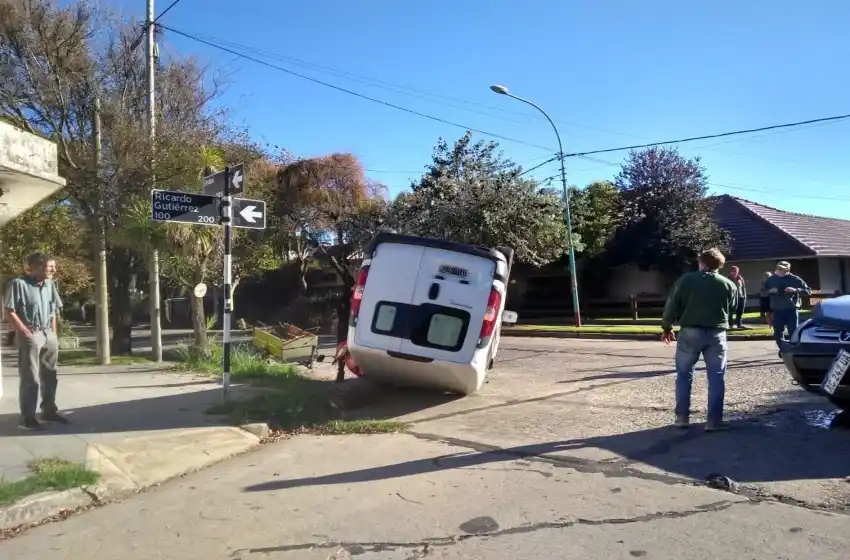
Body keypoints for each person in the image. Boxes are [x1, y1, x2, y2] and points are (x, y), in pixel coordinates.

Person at [661, 248, 738, 432]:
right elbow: (733, 308)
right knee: (717, 376)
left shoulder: (686, 280)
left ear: (701, 263)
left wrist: (667, 327)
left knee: (684, 374)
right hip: (717, 333)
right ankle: (713, 420)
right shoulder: (728, 284)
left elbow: (672, 305)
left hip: (690, 331)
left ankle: (682, 417)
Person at [4, 253, 67, 430]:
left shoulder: (49, 284)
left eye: (54, 266)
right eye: (50, 266)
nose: (54, 270)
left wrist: (53, 333)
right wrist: (24, 331)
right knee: (30, 377)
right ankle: (27, 419)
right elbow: (9, 310)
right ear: (36, 267)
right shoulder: (19, 284)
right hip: (31, 334)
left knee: (50, 374)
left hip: (48, 333)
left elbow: (53, 309)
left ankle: (49, 411)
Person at [763, 260, 812, 355]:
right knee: (777, 333)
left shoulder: (795, 279)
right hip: (777, 310)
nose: (779, 270)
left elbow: (808, 291)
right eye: (778, 268)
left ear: (787, 270)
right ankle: (784, 350)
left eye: (782, 269)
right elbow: (762, 292)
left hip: (791, 310)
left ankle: (793, 351)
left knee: (793, 332)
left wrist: (795, 290)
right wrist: (770, 291)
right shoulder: (771, 280)